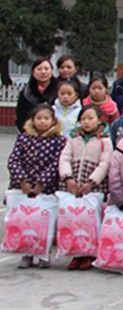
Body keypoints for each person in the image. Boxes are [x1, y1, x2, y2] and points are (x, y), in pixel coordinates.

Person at [7, 103, 66, 268]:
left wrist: (41, 183)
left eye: (46, 118)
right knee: (25, 221)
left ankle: (43, 254)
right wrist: (22, 180)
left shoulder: (59, 141)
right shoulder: (24, 138)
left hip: (47, 189)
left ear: (53, 121)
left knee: (44, 222)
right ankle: (26, 253)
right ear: (32, 120)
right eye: (39, 118)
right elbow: (14, 160)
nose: (42, 121)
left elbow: (56, 164)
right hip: (24, 188)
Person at [58, 104, 113, 270]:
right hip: (74, 185)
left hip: (94, 188)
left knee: (90, 221)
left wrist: (91, 181)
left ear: (99, 120)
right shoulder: (73, 139)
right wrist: (68, 178)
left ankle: (90, 253)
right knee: (74, 219)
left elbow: (105, 163)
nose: (87, 122)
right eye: (83, 119)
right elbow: (64, 158)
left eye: (90, 118)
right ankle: (76, 252)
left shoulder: (105, 141)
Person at [15, 57, 60, 132]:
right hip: (31, 133)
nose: (43, 72)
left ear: (52, 71)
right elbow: (20, 116)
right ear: (33, 72)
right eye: (39, 69)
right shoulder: (26, 92)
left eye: (46, 69)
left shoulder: (60, 90)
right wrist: (28, 131)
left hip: (56, 132)